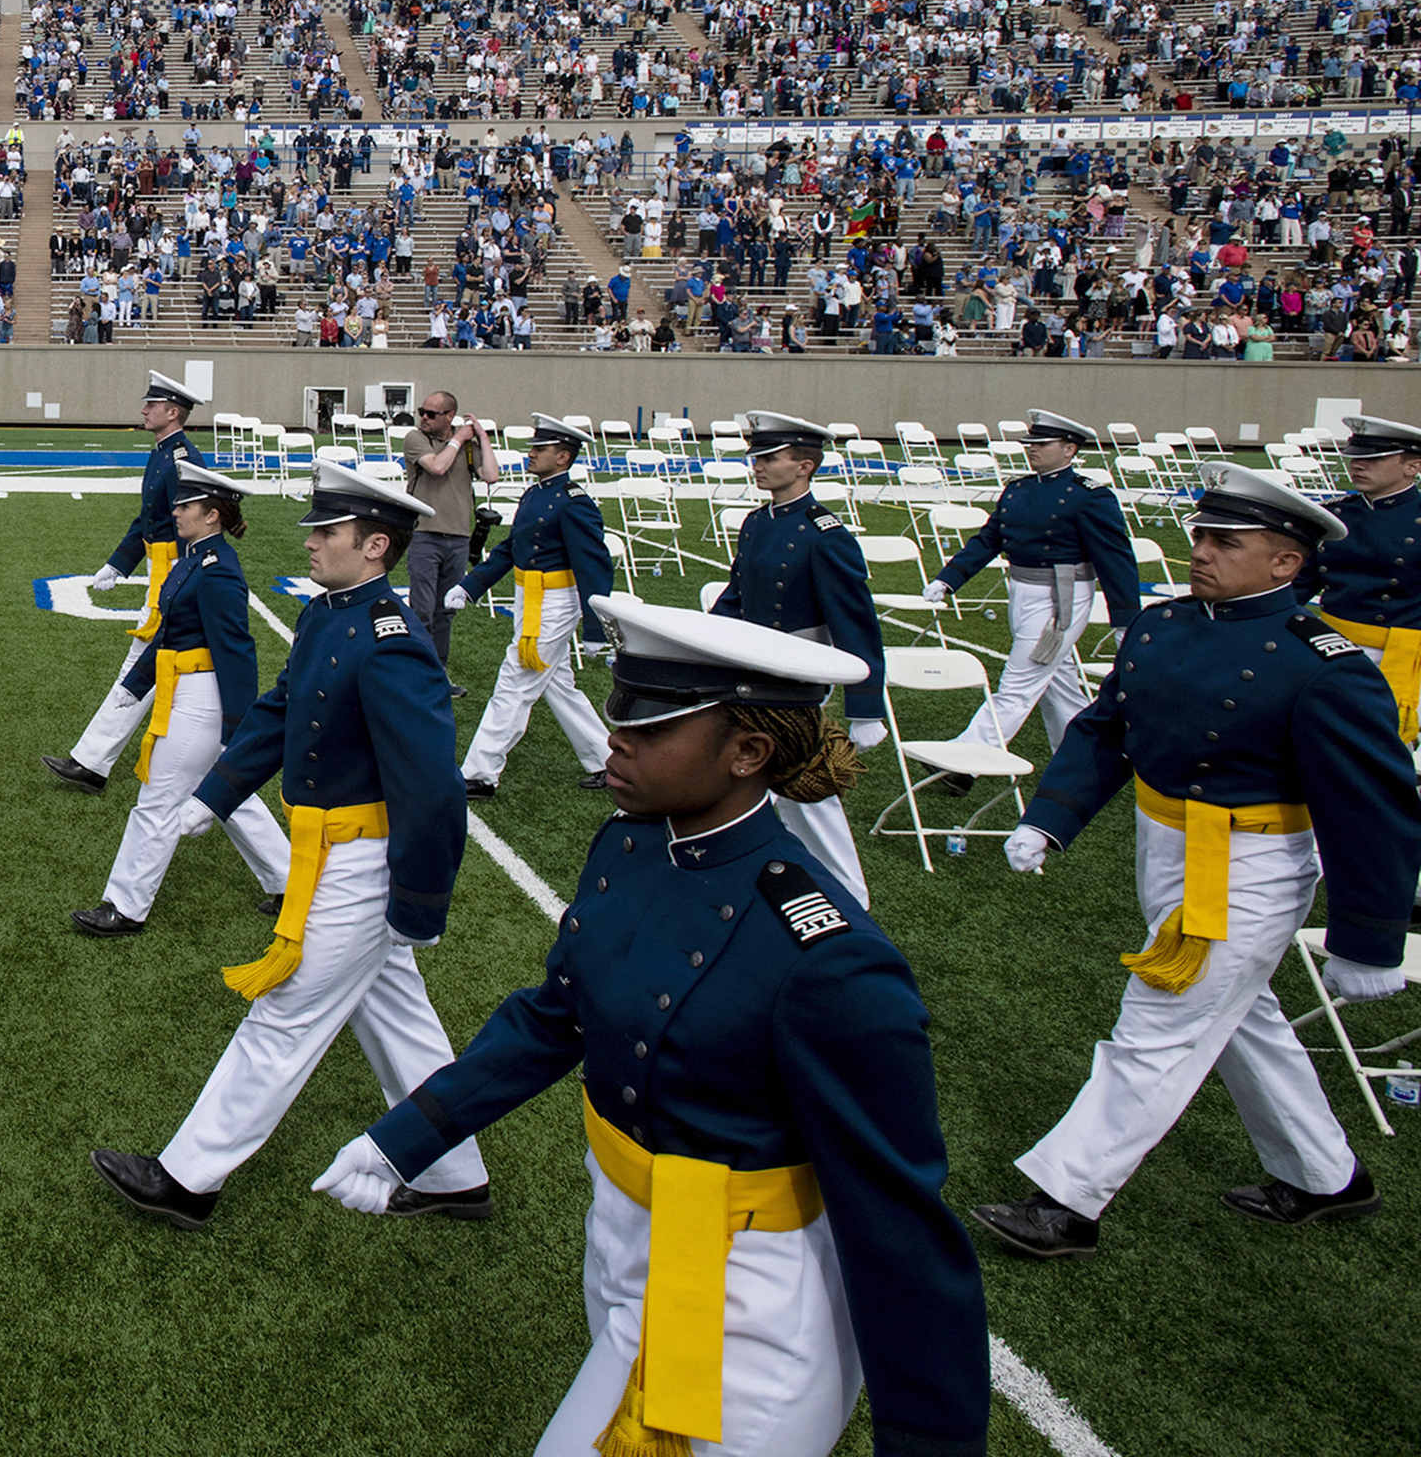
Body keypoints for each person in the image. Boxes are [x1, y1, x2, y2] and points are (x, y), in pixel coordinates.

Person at [314, 598, 989, 1457]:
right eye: (621, 711)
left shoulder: (825, 955)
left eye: (651, 724)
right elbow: (556, 1016)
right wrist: (406, 1136)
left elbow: (899, 1222)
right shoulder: (629, 844)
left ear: (748, 752)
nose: (615, 739)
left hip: (751, 1304)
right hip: (627, 1244)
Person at [973, 465, 1421, 1259]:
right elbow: (1107, 730)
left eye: (1227, 542)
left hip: (1247, 864)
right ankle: (1327, 1177)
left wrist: (1368, 936)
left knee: (1156, 1025)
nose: (1203, 552)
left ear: (1287, 563)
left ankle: (1066, 1201)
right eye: (1201, 537)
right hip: (1164, 845)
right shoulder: (1163, 626)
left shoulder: (1323, 663)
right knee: (1244, 1016)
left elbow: (1372, 807)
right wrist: (1051, 819)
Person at [92, 457, 489, 1231]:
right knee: (400, 1023)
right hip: (329, 851)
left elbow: (433, 789)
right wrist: (213, 796)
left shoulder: (392, 640)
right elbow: (279, 710)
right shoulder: (327, 613)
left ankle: (186, 1177)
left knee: (284, 1016)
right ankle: (453, 1172)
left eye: (327, 531)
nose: (310, 542)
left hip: (362, 864)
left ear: (376, 546)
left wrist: (419, 901)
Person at [72, 459, 290, 936]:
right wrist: (134, 687)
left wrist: (239, 728)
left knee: (158, 800)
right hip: (183, 688)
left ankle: (126, 906)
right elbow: (169, 634)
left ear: (212, 514)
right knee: (226, 793)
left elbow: (237, 652)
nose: (176, 510)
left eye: (187, 504)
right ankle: (290, 883)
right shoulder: (193, 557)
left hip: (202, 698)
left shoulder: (217, 571)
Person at [711, 411, 890, 905]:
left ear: (805, 466)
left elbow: (855, 622)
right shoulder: (755, 522)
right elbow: (736, 596)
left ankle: (851, 896)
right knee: (757, 779)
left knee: (803, 785)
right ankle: (781, 878)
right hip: (751, 664)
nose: (758, 466)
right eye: (757, 457)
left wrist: (866, 705)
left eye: (770, 458)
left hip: (798, 672)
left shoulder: (823, 533)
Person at [917, 409, 1144, 794]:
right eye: (1030, 444)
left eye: (1041, 444)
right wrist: (949, 578)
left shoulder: (1088, 496)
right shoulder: (1019, 489)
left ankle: (964, 759)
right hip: (1022, 591)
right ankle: (1087, 761)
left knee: (1021, 680)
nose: (1032, 450)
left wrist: (1126, 619)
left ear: (1070, 449)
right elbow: (990, 539)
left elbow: (1115, 558)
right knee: (1059, 684)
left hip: (1060, 600)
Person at [43, 371, 207, 792]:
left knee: (140, 666)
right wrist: (119, 564)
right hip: (162, 567)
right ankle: (94, 761)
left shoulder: (181, 458)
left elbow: (194, 524)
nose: (143, 409)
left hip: (174, 571)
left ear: (173, 412)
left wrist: (182, 579)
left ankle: (92, 762)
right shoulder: (164, 453)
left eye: (152, 405)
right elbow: (148, 519)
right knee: (160, 671)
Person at [453, 415, 615, 800]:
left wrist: (595, 626)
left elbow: (593, 565)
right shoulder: (535, 493)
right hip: (532, 598)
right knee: (559, 686)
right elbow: (512, 547)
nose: (531, 453)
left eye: (540, 449)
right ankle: (610, 762)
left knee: (515, 682)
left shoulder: (574, 503)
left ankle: (480, 773)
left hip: (554, 603)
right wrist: (472, 585)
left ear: (563, 457)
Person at [1310, 414, 1421, 756]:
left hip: (1403, 653)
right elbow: (1297, 585)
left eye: (1373, 459)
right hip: (1330, 648)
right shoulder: (1333, 516)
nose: (1358, 465)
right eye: (1356, 457)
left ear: (1412, 466)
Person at [399, 391, 497, 674]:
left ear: (449, 416)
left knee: (445, 611)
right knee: (422, 608)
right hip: (424, 534)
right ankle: (414, 669)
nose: (424, 418)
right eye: (422, 411)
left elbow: (491, 475)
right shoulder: (417, 439)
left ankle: (436, 672)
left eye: (431, 413)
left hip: (458, 537)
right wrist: (459, 439)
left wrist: (482, 437)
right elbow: (437, 467)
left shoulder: (466, 445)